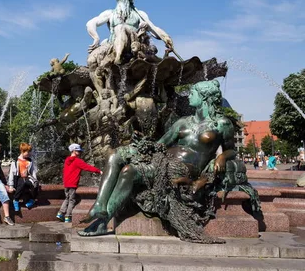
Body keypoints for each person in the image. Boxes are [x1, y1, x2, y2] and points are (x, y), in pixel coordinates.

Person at [80, 80, 237, 236]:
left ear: (204, 97)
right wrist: (142, 142)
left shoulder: (222, 124)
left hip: (180, 169)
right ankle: (99, 205)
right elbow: (160, 144)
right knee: (115, 155)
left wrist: (222, 156)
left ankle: (103, 222)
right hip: (161, 158)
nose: (189, 95)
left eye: (193, 92)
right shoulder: (182, 122)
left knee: (129, 171)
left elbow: (232, 151)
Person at [57, 144, 102, 223]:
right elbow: (87, 167)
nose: (80, 152)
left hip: (66, 183)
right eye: (78, 151)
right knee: (72, 200)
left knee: (67, 198)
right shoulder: (77, 161)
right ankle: (68, 216)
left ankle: (60, 213)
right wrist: (99, 171)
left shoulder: (67, 160)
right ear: (74, 151)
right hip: (72, 184)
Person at [7, 142, 39, 211]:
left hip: (28, 177)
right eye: (28, 152)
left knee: (35, 184)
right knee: (22, 183)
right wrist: (11, 186)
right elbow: (11, 174)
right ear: (22, 151)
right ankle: (16, 200)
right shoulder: (15, 161)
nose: (29, 153)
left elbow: (33, 171)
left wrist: (35, 180)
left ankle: (32, 200)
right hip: (18, 178)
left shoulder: (30, 161)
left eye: (29, 152)